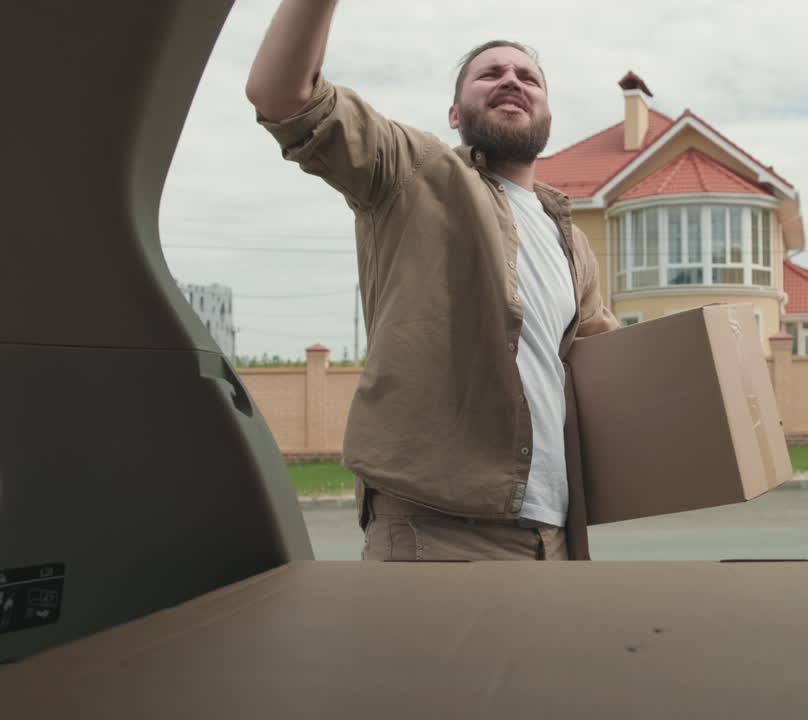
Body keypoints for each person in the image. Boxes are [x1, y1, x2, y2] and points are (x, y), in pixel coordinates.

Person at [245, 0, 617, 562]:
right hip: (440, 527)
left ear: (547, 112)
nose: (512, 80)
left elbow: (604, 359)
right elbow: (283, 96)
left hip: (554, 531)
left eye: (528, 77)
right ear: (454, 113)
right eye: (490, 73)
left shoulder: (569, 236)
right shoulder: (410, 170)